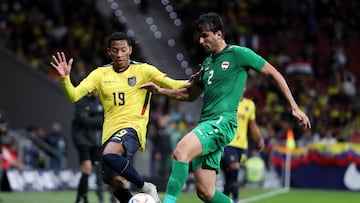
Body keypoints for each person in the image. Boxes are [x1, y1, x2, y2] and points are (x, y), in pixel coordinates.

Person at [140, 12, 311, 203]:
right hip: (207, 123)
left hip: (222, 121)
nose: (201, 40)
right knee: (206, 192)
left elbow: (273, 73)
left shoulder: (238, 54)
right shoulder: (207, 64)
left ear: (219, 34)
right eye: (200, 36)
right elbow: (189, 95)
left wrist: (294, 107)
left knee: (181, 151)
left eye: (205, 35)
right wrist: (160, 90)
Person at [50, 32, 190, 203]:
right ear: (109, 52)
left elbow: (173, 84)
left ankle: (145, 187)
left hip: (133, 128)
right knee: (117, 183)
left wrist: (195, 81)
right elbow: (73, 96)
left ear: (130, 50)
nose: (119, 54)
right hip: (109, 133)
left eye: (123, 50)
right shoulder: (100, 74)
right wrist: (65, 78)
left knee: (109, 155)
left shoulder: (143, 70)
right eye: (115, 50)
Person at [71, 92, 115, 203]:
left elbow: (107, 117)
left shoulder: (100, 100)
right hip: (83, 140)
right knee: (87, 167)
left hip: (96, 141)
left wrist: (95, 119)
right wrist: (99, 120)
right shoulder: (81, 101)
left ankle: (104, 195)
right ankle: (82, 196)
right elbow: (84, 120)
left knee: (101, 167)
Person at [220, 96, 265, 203]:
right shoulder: (229, 100)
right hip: (229, 142)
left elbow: (252, 125)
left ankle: (224, 196)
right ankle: (236, 198)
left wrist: (259, 138)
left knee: (230, 173)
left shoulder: (249, 104)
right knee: (234, 167)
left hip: (242, 145)